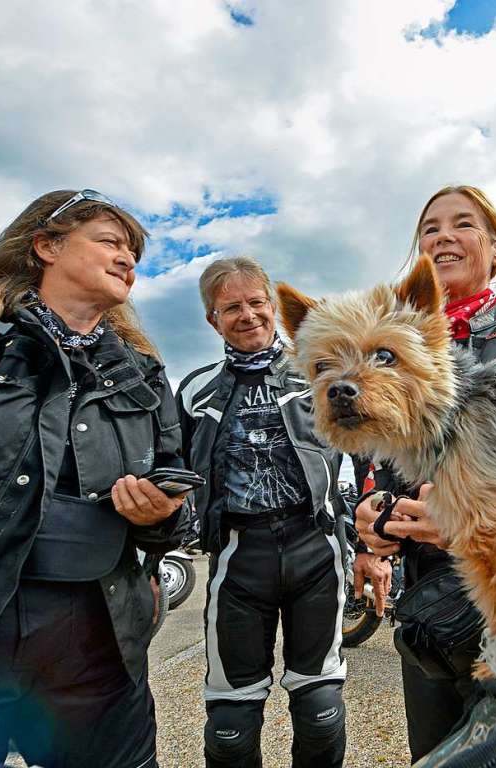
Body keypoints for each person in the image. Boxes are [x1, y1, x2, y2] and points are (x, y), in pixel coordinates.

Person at [0, 189, 189, 768]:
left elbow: (178, 511)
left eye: (134, 251)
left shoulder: (145, 375)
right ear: (47, 245)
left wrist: (165, 516)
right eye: (110, 241)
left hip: (100, 647)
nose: (128, 258)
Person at [352, 185, 496, 761]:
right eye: (430, 228)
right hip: (429, 610)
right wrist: (373, 517)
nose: (443, 236)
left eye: (463, 224)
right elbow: (377, 469)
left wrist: (471, 512)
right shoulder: (386, 357)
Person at [177, 256, 348, 768]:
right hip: (237, 554)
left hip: (314, 547)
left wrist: (370, 543)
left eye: (256, 302)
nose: (247, 315)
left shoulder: (320, 370)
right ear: (213, 320)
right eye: (231, 307)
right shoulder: (193, 389)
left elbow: (365, 452)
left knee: (321, 709)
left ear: (272, 306)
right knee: (229, 725)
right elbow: (172, 469)